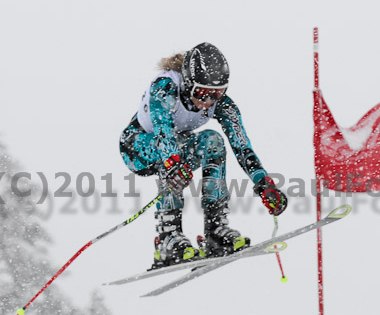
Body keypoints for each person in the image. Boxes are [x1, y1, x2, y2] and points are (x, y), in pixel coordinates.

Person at [120, 42, 287, 270]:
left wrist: (264, 182)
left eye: (217, 93)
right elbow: (163, 132)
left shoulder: (222, 105)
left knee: (213, 141)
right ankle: (168, 235)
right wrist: (173, 163)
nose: (208, 101)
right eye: (202, 92)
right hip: (136, 148)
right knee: (173, 147)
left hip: (174, 150)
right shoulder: (166, 87)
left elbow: (242, 146)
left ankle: (215, 230)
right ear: (188, 83)